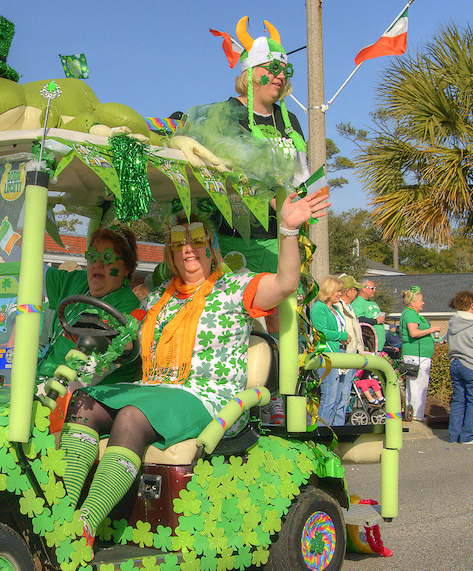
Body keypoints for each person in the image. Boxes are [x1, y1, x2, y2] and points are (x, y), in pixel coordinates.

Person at [57, 188, 329, 554]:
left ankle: (84, 525)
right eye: (177, 241)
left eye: (197, 239)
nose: (187, 247)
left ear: (210, 247)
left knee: (133, 418)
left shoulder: (234, 287)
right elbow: (124, 339)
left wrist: (288, 231)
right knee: (83, 403)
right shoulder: (158, 299)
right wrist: (87, 358)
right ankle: (60, 513)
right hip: (157, 389)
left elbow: (285, 284)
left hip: (208, 396)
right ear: (169, 253)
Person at [174, 17, 309, 279]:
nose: (280, 76)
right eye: (271, 68)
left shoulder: (289, 121)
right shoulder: (224, 114)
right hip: (231, 239)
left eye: (284, 70)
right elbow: (225, 171)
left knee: (279, 316)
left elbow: (300, 174)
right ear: (250, 71)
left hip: (281, 237)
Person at [38, 227, 141, 386]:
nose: (97, 263)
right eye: (92, 256)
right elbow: (35, 273)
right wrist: (3, 238)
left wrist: (44, 391)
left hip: (84, 394)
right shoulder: (78, 282)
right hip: (44, 379)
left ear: (126, 267)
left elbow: (92, 371)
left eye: (107, 257)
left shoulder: (129, 308)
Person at [444, 291, 473, 444]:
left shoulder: (453, 322)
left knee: (458, 401)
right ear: (472, 305)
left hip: (456, 363)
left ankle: (454, 435)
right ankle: (468, 436)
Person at [310, 276, 354, 426]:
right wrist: (342, 336)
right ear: (329, 291)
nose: (340, 294)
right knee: (329, 397)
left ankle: (333, 430)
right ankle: (321, 433)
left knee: (337, 398)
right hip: (326, 355)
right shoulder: (318, 308)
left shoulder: (334, 308)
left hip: (338, 353)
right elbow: (321, 332)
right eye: (338, 291)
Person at [400, 287, 441, 423]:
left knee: (416, 385)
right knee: (418, 385)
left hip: (419, 355)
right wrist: (431, 329)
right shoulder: (410, 314)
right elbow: (413, 332)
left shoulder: (412, 314)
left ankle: (413, 413)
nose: (423, 303)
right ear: (413, 302)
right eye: (421, 301)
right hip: (416, 355)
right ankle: (416, 415)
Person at [336, 275, 366, 415]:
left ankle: (339, 426)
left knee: (344, 398)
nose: (357, 292)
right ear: (347, 291)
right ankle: (334, 430)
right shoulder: (338, 307)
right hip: (343, 358)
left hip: (352, 357)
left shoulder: (349, 308)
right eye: (355, 289)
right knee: (338, 398)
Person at [352, 278, 387, 352]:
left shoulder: (374, 303)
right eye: (372, 288)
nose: (374, 290)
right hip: (368, 346)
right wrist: (375, 321)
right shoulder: (358, 302)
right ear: (363, 289)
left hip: (378, 347)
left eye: (375, 288)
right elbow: (358, 319)